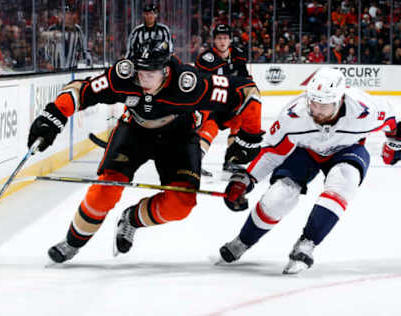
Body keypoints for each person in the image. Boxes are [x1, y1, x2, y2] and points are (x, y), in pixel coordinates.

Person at [27, 38, 262, 263]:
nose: (144, 79)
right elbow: (82, 89)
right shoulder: (125, 74)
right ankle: (72, 243)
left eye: (151, 73)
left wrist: (249, 137)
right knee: (104, 191)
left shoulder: (189, 83)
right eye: (140, 71)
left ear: (166, 69)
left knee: (180, 204)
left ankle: (131, 219)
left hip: (178, 136)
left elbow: (247, 92)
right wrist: (53, 117)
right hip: (134, 131)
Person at [217, 67, 400, 274]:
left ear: (340, 100)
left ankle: (307, 243)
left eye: (324, 105)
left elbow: (396, 124)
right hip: (306, 152)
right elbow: (271, 151)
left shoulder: (366, 109)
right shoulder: (293, 115)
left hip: (347, 150)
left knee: (344, 182)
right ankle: (243, 240)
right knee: (278, 196)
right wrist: (246, 179)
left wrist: (395, 144)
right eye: (313, 102)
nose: (316, 110)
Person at [195, 24, 258, 175]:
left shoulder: (238, 54)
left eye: (225, 38)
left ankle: (232, 160)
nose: (222, 41)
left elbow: (245, 80)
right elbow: (200, 84)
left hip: (230, 103)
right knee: (210, 128)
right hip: (211, 102)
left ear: (230, 40)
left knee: (238, 122)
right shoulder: (206, 58)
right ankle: (195, 162)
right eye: (219, 38)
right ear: (214, 40)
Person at [44, 3, 91, 70]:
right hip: (56, 68)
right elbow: (47, 48)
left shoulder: (77, 29)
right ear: (59, 16)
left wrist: (87, 59)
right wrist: (48, 61)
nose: (68, 16)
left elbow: (84, 47)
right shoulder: (52, 29)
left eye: (69, 13)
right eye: (64, 14)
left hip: (72, 67)